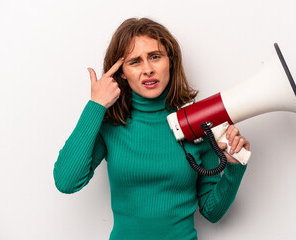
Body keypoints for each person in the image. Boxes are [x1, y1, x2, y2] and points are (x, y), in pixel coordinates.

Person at [53, 17, 250, 240]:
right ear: (121, 74)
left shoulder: (197, 122)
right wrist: (96, 106)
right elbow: (66, 181)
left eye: (155, 57)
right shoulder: (111, 125)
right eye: (135, 61)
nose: (148, 69)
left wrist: (234, 167)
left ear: (170, 61)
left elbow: (212, 212)